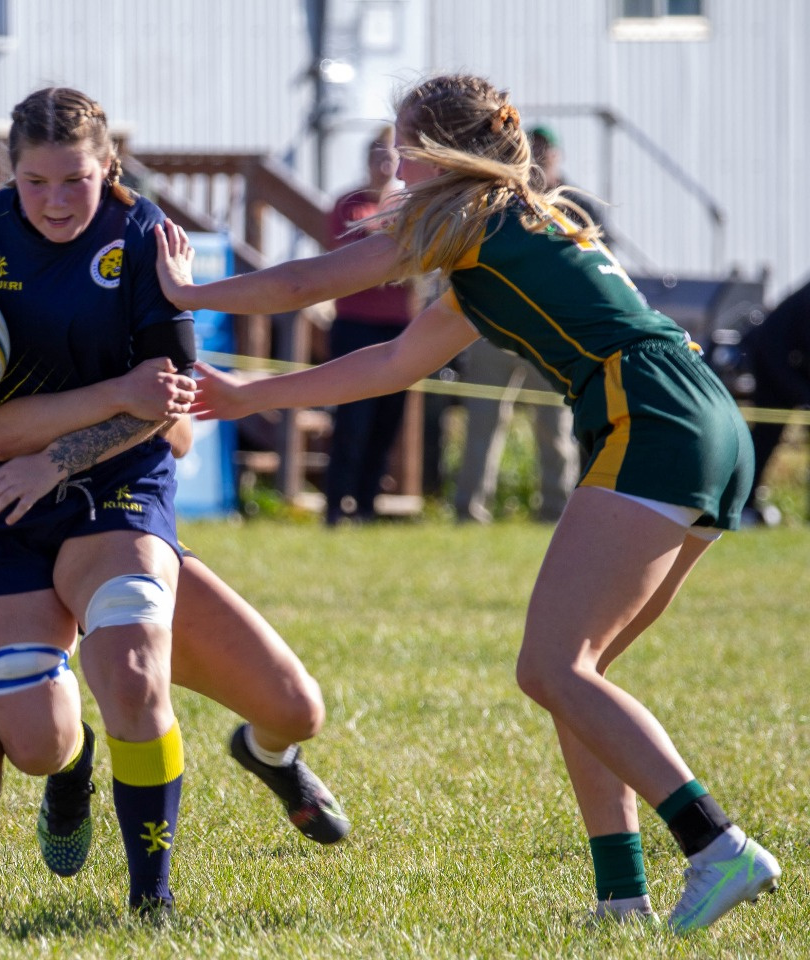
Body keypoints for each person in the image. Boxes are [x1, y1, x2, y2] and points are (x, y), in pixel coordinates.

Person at [155, 73, 780, 934]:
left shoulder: (470, 218)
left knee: (553, 669)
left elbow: (308, 282)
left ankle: (716, 844)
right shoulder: (506, 231)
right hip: (700, 416)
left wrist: (190, 293)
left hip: (654, 417)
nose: (393, 165)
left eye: (403, 147)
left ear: (444, 154)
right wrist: (248, 396)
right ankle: (621, 900)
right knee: (577, 678)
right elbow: (392, 364)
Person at [0, 212, 350, 907]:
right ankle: (45, 792)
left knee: (297, 708)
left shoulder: (59, 317)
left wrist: (93, 432)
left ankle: (267, 753)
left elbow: (178, 432)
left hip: (115, 523)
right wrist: (120, 400)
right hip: (4, 532)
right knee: (6, 711)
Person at [452, 127, 587, 524]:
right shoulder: (500, 200)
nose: (540, 158)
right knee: (483, 421)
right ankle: (469, 509)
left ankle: (558, 510)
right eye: (534, 149)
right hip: (494, 328)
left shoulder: (575, 203)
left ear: (558, 155)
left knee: (555, 426)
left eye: (546, 151)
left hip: (549, 331)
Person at [322, 124, 416, 525]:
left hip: (398, 327)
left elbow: (418, 262)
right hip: (354, 325)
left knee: (386, 420)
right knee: (351, 419)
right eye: (378, 155)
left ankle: (366, 504)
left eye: (391, 156)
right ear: (367, 160)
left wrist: (384, 264)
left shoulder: (409, 206)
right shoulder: (349, 205)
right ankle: (335, 504)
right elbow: (345, 261)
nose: (384, 163)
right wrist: (389, 262)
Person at [739, 277, 810, 524]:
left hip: (793, 364)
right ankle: (742, 505)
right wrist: (802, 394)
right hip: (773, 363)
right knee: (765, 438)